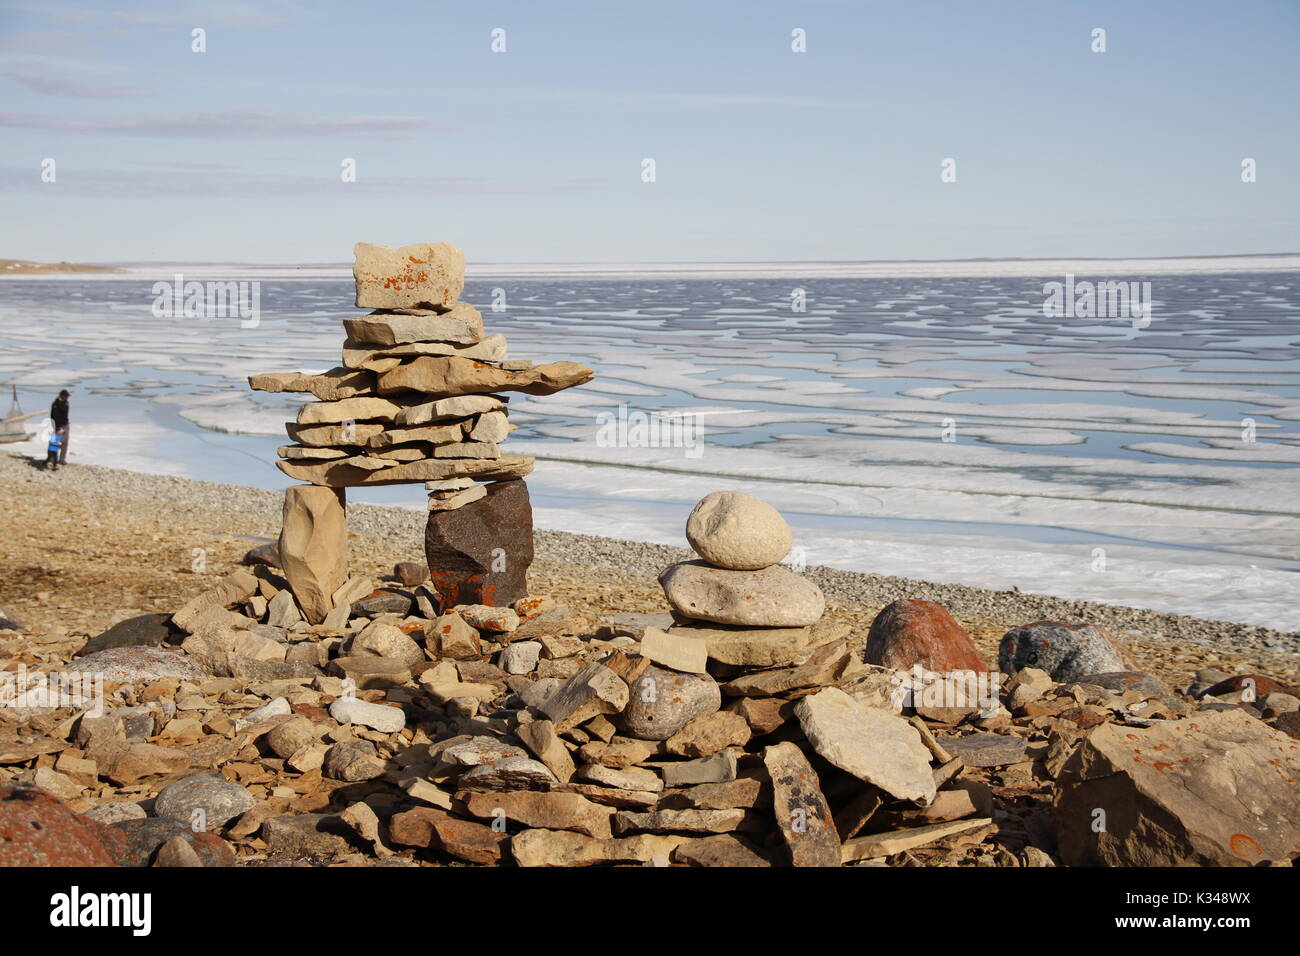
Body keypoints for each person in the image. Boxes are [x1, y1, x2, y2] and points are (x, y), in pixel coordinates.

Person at [50, 389, 69, 466]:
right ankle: (52, 459)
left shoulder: (66, 403)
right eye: (66, 396)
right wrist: (56, 427)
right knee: (55, 443)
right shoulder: (56, 404)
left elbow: (65, 413)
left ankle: (62, 459)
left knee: (65, 443)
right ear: (62, 396)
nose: (67, 398)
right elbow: (54, 416)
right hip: (58, 425)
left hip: (65, 425)